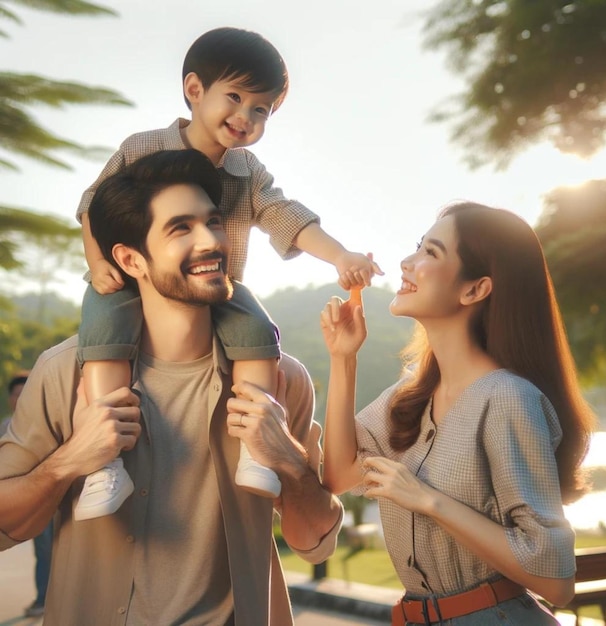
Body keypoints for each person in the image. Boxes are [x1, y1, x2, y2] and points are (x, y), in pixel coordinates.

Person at [0, 149, 343, 625]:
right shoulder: (64, 373)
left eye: (214, 222)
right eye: (180, 228)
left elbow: (314, 541)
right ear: (130, 259)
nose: (210, 241)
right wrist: (71, 461)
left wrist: (288, 458)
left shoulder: (282, 380)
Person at [74, 25, 382, 520]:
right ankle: (105, 462)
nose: (245, 117)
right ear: (195, 91)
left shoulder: (248, 172)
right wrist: (99, 262)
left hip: (216, 289)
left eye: (260, 109)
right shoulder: (142, 148)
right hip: (132, 279)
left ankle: (257, 451)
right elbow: (92, 204)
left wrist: (342, 256)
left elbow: (287, 216)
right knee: (103, 331)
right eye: (234, 98)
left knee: (259, 331)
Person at [320, 201, 597, 625]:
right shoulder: (411, 395)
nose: (406, 262)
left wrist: (429, 500)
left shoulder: (506, 397)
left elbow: (557, 583)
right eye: (417, 247)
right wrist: (343, 358)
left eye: (431, 253)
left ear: (475, 289)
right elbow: (339, 476)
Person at [1, 373, 53, 618]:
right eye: (16, 394)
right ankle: (44, 597)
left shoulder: (48, 421)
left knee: (52, 550)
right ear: (10, 398)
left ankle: (48, 598)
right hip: (18, 500)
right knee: (42, 550)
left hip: (49, 496)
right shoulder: (5, 427)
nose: (21, 398)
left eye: (25, 393)